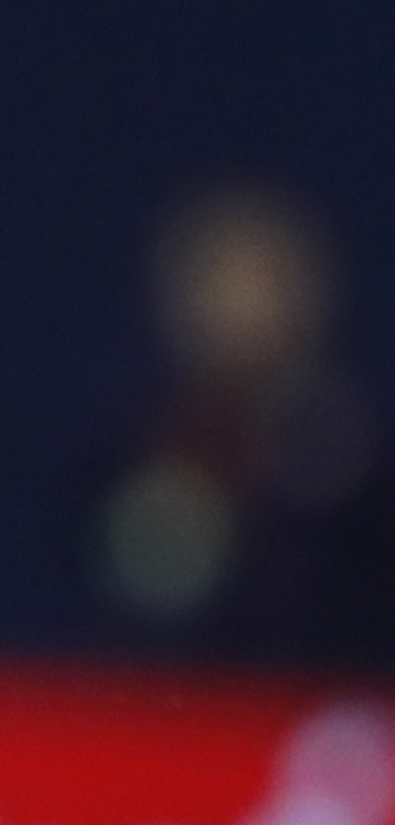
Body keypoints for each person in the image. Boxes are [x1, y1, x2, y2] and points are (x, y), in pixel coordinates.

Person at [87, 181, 395, 668]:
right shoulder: (120, 479)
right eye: (217, 284)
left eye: (264, 284)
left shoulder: (361, 494)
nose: (241, 313)